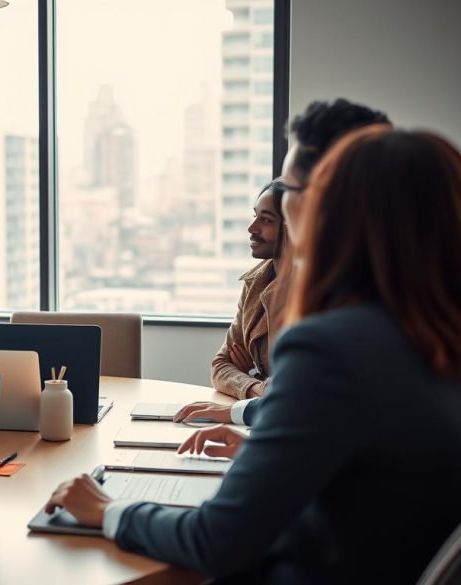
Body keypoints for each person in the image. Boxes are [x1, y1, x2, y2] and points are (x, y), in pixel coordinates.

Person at [44, 127, 461, 583]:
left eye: (309, 198)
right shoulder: (429, 335)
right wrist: (275, 448)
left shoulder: (335, 345)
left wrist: (108, 510)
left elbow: (216, 540)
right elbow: (379, 458)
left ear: (343, 220)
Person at [176, 98, 390, 426]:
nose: (252, 228)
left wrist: (264, 394)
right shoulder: (263, 282)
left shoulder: (343, 315)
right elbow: (226, 367)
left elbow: (298, 403)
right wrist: (258, 392)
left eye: (291, 191)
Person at [209, 181, 287, 400]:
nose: (252, 229)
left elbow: (291, 386)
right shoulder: (256, 282)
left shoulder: (314, 292)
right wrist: (258, 385)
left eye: (266, 220)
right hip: (263, 413)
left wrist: (251, 372)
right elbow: (221, 365)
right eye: (255, 216)